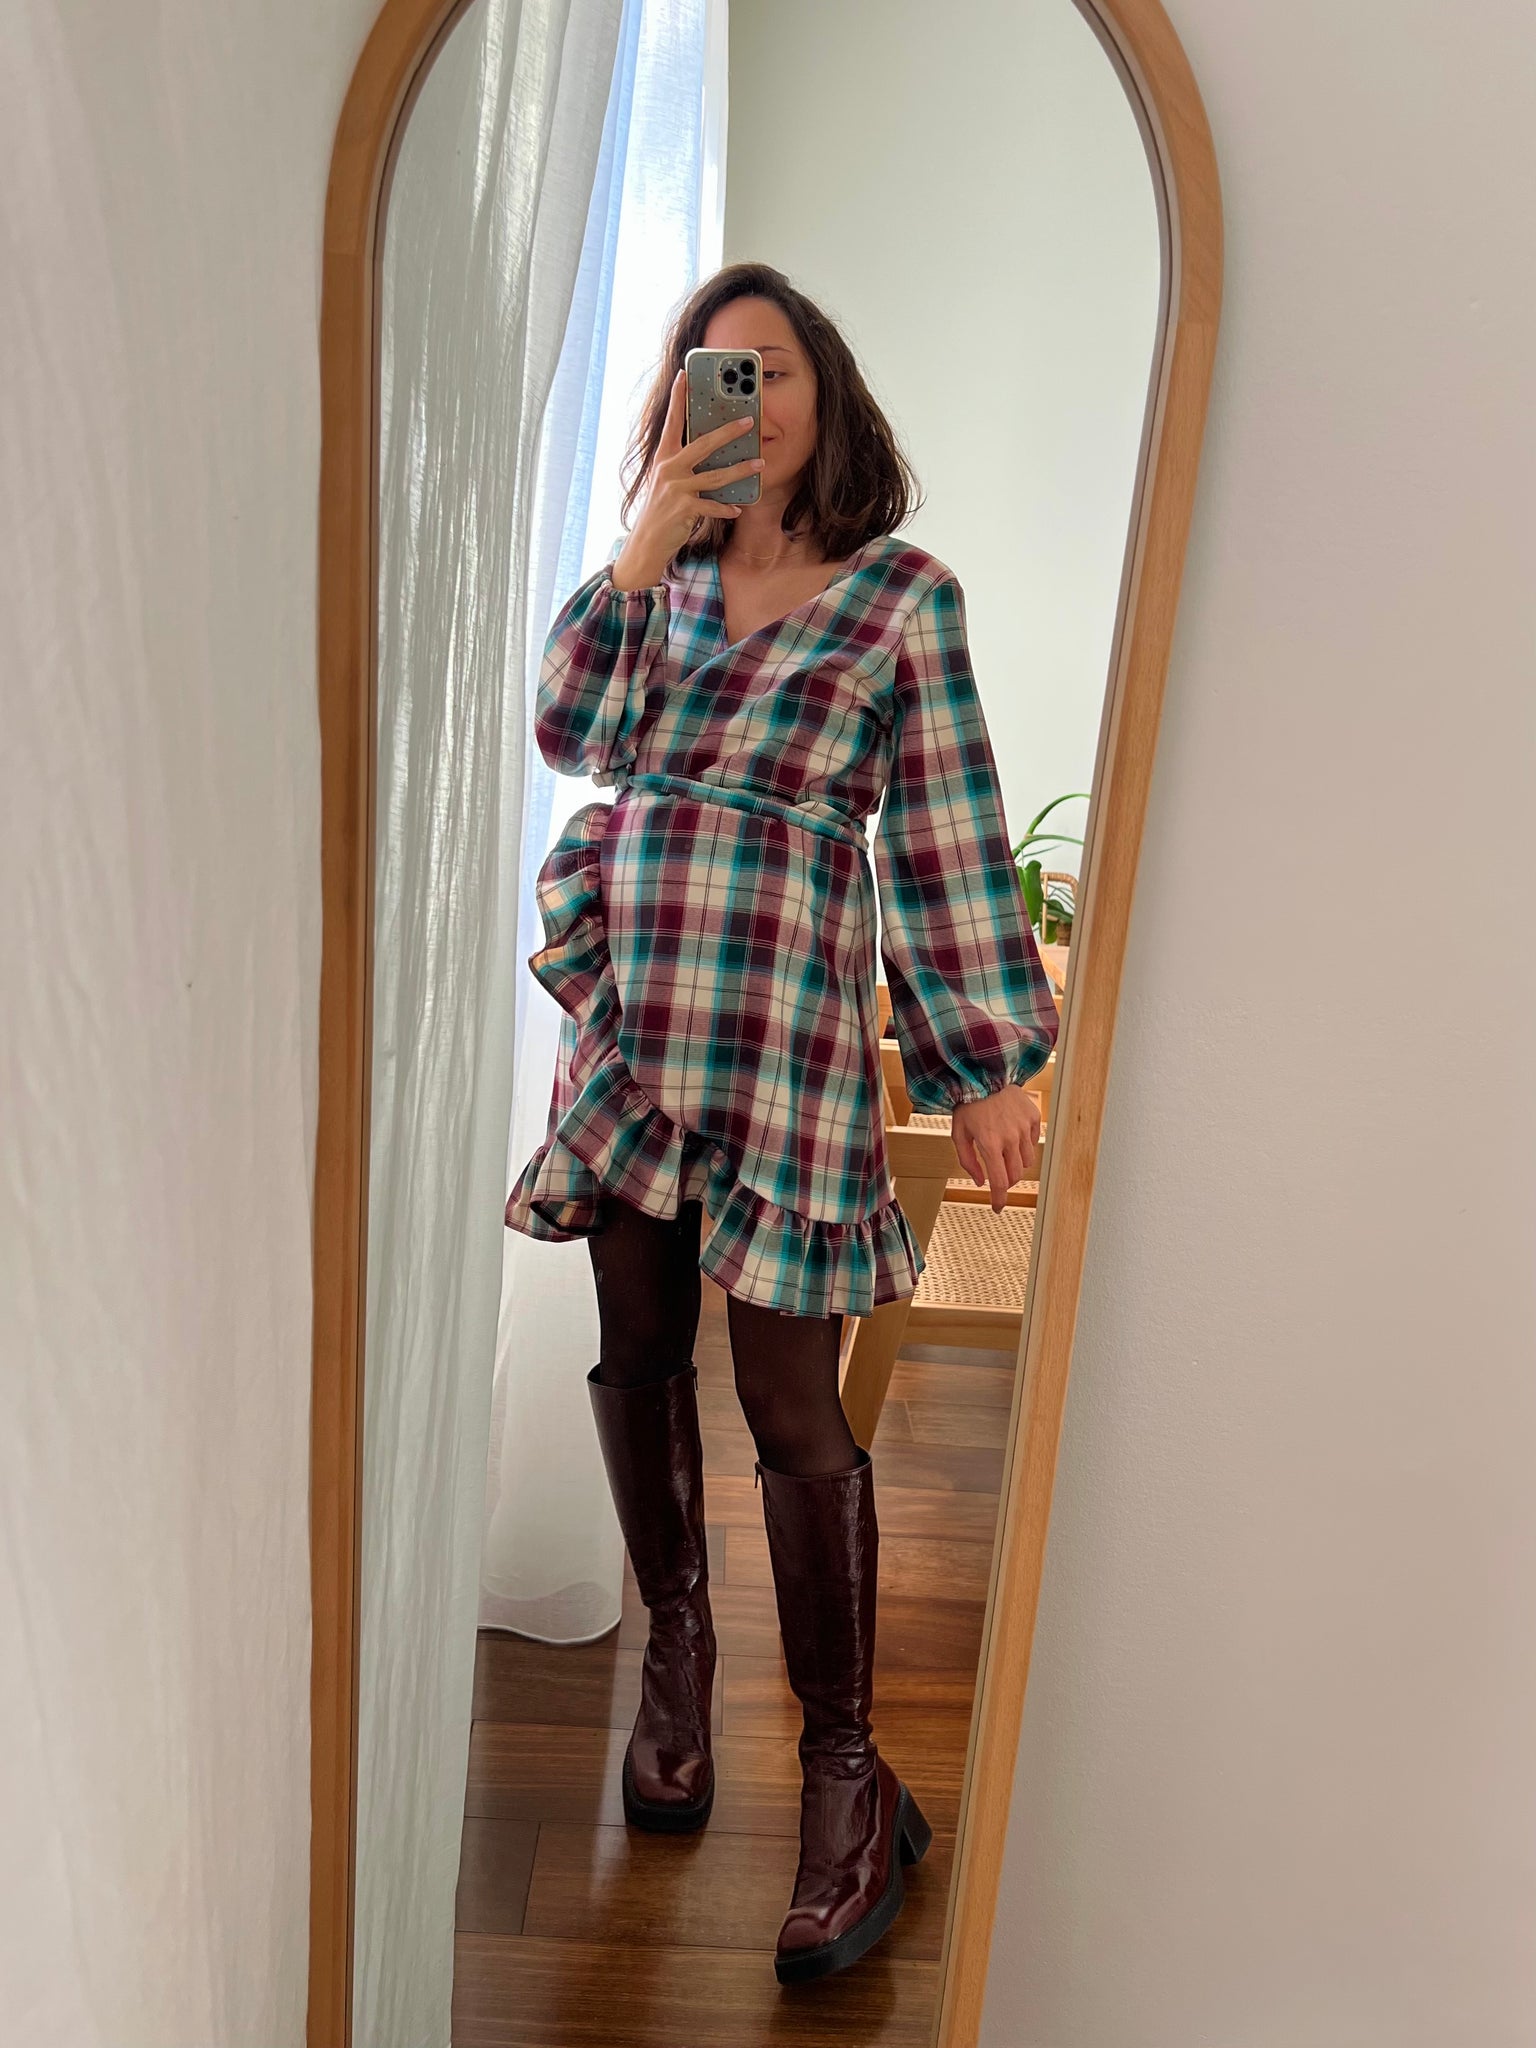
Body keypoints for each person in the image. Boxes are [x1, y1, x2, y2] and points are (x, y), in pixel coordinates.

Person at [505, 261, 1059, 1984]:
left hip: (791, 1034)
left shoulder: (901, 598)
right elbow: (565, 731)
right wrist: (641, 545)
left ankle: (847, 1773)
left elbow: (949, 826)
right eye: (708, 368)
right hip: (637, 1013)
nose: (740, 392)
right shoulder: (654, 580)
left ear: (828, 394)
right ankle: (677, 1657)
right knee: (636, 1334)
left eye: (771, 368)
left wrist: (986, 1063)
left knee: (788, 1395)